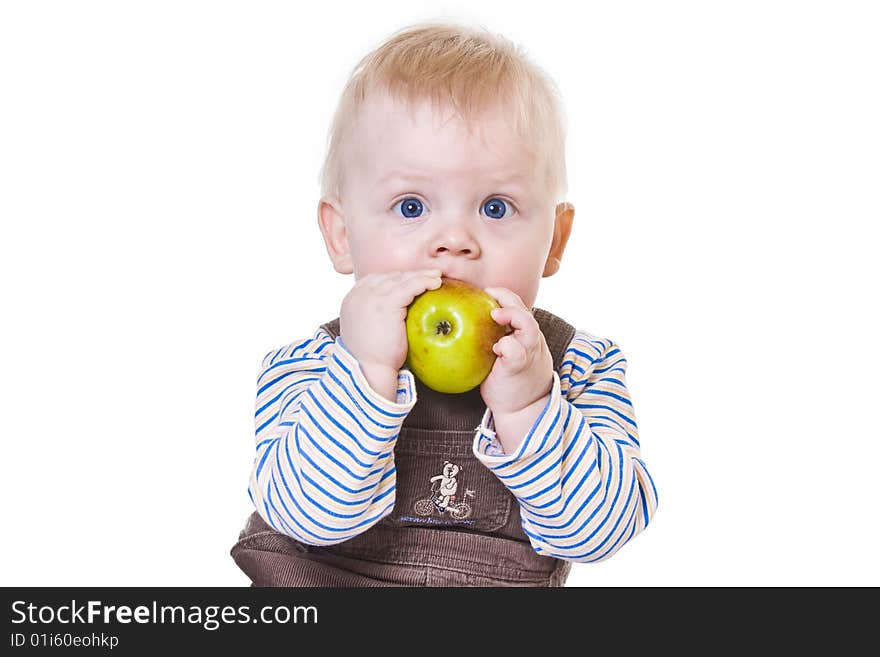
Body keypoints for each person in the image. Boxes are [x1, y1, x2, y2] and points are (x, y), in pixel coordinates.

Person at [231, 20, 659, 587]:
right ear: (341, 235)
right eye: (411, 207)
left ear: (554, 240)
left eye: (496, 207)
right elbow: (306, 516)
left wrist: (530, 409)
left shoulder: (579, 367)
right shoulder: (307, 366)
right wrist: (364, 375)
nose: (454, 239)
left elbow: (603, 532)